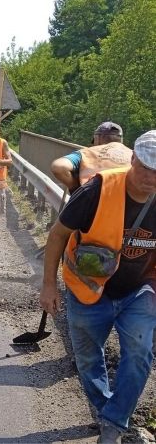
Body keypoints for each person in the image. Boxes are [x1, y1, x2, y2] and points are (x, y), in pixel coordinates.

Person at [40, 130, 156, 443]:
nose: (150, 177)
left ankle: (114, 424)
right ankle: (107, 409)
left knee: (141, 350)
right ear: (133, 159)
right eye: (145, 166)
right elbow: (57, 236)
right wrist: (49, 286)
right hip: (87, 287)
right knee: (89, 360)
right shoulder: (98, 189)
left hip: (141, 288)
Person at [51, 122, 132, 194]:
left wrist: (76, 189)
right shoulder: (134, 155)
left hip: (94, 202)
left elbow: (59, 167)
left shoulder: (87, 153)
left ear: (98, 138)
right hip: (126, 204)